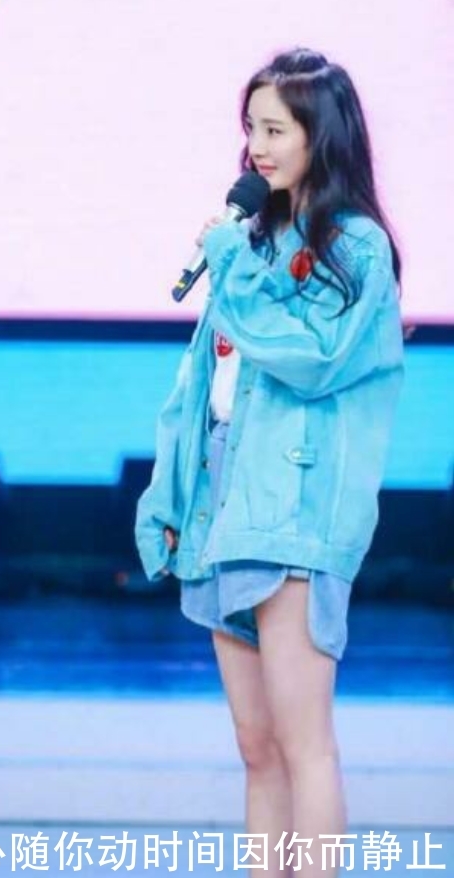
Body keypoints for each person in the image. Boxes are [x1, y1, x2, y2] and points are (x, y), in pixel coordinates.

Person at [135, 48, 404, 877]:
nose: (257, 146)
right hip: (223, 506)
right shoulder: (250, 240)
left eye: (276, 129)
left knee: (302, 743)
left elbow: (310, 360)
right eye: (251, 127)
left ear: (323, 136)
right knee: (257, 749)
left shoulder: (356, 250)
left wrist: (231, 266)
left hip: (295, 508)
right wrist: (168, 497)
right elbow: (200, 389)